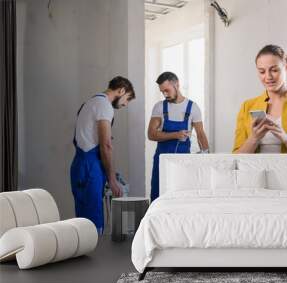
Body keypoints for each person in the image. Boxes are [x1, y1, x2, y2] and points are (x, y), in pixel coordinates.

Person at [70, 76, 135, 233]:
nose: (125, 104)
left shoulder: (89, 103)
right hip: (90, 166)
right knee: (93, 224)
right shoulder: (104, 105)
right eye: (127, 99)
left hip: (80, 163)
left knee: (82, 220)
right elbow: (106, 145)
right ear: (121, 90)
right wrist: (112, 180)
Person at [148, 72, 209, 201]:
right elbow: (151, 134)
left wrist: (207, 157)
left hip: (183, 162)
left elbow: (201, 134)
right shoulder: (159, 107)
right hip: (161, 160)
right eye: (162, 91)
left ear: (177, 85)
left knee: (181, 197)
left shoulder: (193, 108)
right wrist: (176, 134)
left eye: (167, 90)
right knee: (157, 196)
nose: (165, 94)